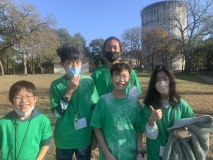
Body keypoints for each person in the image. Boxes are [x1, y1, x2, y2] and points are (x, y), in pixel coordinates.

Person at [49, 46, 99, 160]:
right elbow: (57, 114)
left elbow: (95, 109)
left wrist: (95, 135)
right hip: (64, 139)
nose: (75, 66)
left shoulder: (89, 81)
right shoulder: (56, 84)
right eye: (70, 62)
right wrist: (69, 91)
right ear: (62, 64)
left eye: (78, 62)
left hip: (84, 138)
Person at [91, 63, 144, 160]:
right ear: (111, 79)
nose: (121, 79)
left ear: (130, 79)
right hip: (109, 155)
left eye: (124, 76)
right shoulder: (103, 101)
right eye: (117, 76)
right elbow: (97, 127)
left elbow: (139, 129)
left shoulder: (135, 103)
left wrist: (139, 153)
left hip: (131, 155)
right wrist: (107, 153)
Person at [141, 65, 195, 160]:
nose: (162, 83)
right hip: (155, 152)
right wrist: (152, 121)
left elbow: (193, 124)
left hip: (177, 152)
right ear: (153, 83)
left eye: (165, 79)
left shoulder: (180, 104)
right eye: (158, 80)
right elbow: (151, 136)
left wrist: (184, 130)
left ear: (171, 80)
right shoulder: (148, 106)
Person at [0, 80, 52, 160]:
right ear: (11, 100)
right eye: (18, 97)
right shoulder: (3, 122)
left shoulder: (43, 120)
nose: (23, 100)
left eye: (28, 96)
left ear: (35, 98)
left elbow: (45, 142)